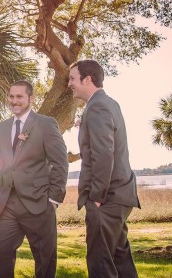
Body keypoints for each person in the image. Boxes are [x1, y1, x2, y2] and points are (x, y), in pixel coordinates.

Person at [0, 80, 68, 278]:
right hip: (7, 203)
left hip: (39, 202)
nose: (15, 101)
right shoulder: (3, 127)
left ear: (31, 98)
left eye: (19, 97)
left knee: (44, 258)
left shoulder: (45, 123)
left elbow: (60, 161)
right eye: (11, 97)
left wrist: (53, 199)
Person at [69, 60, 140, 278]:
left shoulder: (98, 106)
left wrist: (97, 197)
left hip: (107, 198)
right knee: (119, 259)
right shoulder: (108, 103)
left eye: (72, 78)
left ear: (87, 79)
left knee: (100, 266)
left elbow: (103, 154)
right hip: (120, 195)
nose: (69, 83)